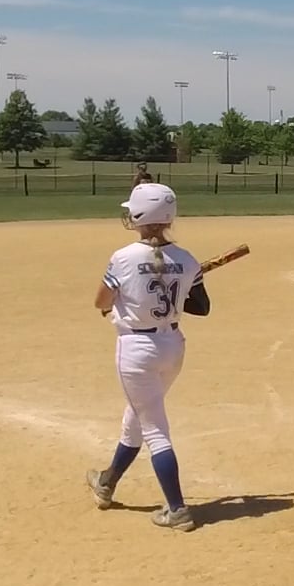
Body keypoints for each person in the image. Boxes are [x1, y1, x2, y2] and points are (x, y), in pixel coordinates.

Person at [87, 183, 212, 530]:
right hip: (172, 348)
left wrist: (120, 303)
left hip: (137, 350)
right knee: (139, 415)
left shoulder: (123, 257)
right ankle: (107, 482)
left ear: (139, 216)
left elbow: (100, 302)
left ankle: (177, 509)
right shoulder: (186, 259)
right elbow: (201, 307)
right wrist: (179, 289)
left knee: (154, 428)